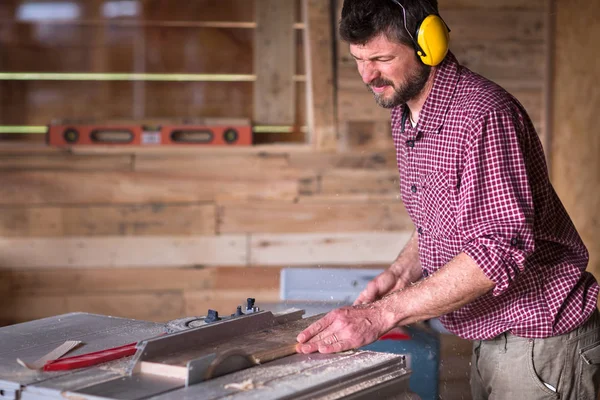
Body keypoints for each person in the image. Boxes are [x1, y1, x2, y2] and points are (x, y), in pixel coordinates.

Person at [295, 1, 600, 398]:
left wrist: (380, 314)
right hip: (492, 339)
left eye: (382, 58)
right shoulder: (405, 114)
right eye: (358, 59)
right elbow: (442, 218)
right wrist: (400, 274)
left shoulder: (483, 116)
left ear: (430, 45)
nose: (368, 75)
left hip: (540, 342)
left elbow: (498, 250)